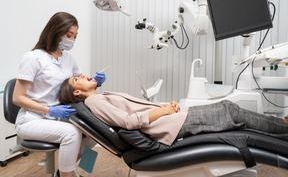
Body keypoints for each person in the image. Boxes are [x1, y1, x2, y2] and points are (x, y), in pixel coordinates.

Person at [59, 74, 288, 146]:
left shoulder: (102, 96)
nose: (85, 75)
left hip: (173, 118)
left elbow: (142, 107)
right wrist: (166, 111)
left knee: (234, 116)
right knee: (231, 111)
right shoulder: (94, 102)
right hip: (171, 125)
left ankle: (281, 130)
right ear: (76, 92)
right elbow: (129, 121)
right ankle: (283, 128)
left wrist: (168, 105)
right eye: (78, 78)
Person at [13, 12, 106, 177]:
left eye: (75, 36)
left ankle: (68, 171)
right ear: (55, 31)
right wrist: (48, 110)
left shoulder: (69, 59)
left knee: (94, 133)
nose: (72, 40)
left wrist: (96, 82)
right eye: (69, 35)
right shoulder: (33, 58)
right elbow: (17, 98)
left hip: (59, 117)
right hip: (32, 119)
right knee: (71, 133)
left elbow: (80, 85)